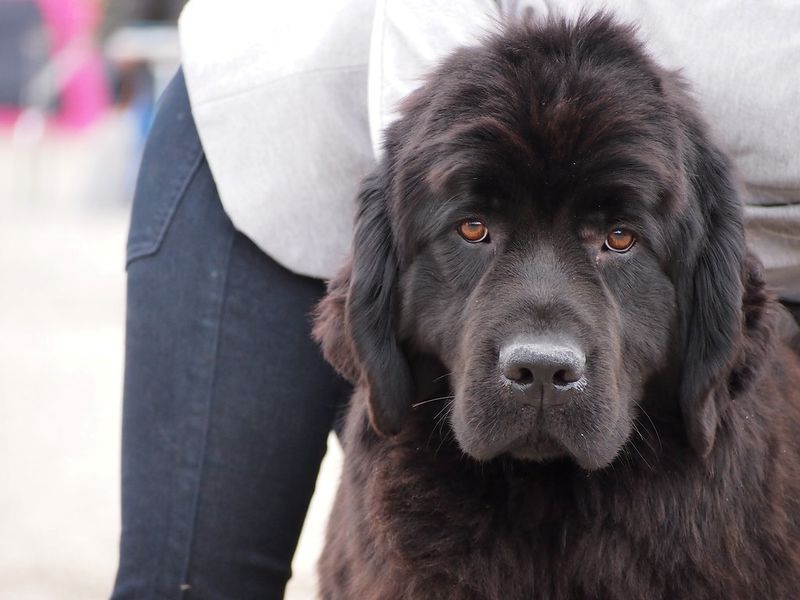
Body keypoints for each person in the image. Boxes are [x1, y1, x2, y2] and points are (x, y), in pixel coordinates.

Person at [110, 1, 800, 598]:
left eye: (614, 236)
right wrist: (456, 211)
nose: (542, 347)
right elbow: (434, 165)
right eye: (480, 229)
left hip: (715, 218)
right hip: (296, 130)